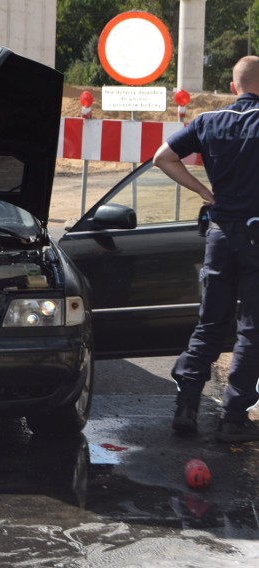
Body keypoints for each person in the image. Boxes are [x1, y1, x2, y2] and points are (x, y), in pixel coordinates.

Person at [152, 55, 259, 443]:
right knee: (251, 331)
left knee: (210, 324)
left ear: (233, 87)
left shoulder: (209, 121)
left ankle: (187, 406)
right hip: (255, 238)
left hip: (219, 234)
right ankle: (233, 418)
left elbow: (162, 158)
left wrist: (204, 192)